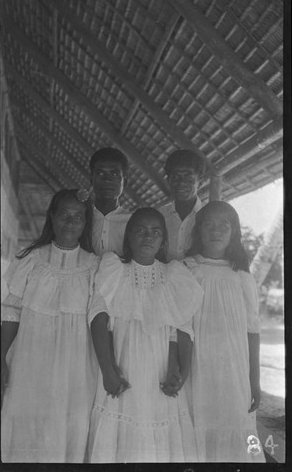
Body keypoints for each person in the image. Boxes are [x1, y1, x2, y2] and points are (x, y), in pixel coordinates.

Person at [86, 208, 204, 463]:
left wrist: (179, 371)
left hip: (159, 367)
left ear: (163, 240)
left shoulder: (174, 274)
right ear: (128, 236)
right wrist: (108, 370)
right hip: (121, 363)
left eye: (155, 232)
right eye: (140, 230)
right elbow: (97, 318)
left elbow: (180, 328)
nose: (148, 236)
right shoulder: (113, 268)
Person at [1, 189, 99, 463]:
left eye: (78, 217)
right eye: (64, 215)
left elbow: (100, 321)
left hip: (76, 362)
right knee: (27, 418)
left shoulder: (94, 266)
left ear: (85, 223)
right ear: (52, 218)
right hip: (32, 356)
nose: (70, 222)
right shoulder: (31, 259)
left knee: (72, 423)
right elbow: (11, 310)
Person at [183, 201, 265, 462]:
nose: (216, 231)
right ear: (198, 231)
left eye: (224, 226)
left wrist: (255, 380)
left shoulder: (241, 275)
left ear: (233, 233)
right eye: (209, 224)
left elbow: (253, 330)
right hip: (196, 365)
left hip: (234, 369)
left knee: (238, 424)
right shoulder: (187, 268)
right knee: (198, 420)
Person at [78, 147, 131, 256]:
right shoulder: (80, 219)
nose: (107, 179)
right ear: (91, 179)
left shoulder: (133, 222)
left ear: (124, 182)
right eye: (100, 174)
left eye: (115, 174)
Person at [159, 149, 206, 261]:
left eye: (188, 177)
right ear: (168, 181)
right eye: (175, 177)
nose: (181, 183)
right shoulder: (159, 216)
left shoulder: (209, 216)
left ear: (200, 182)